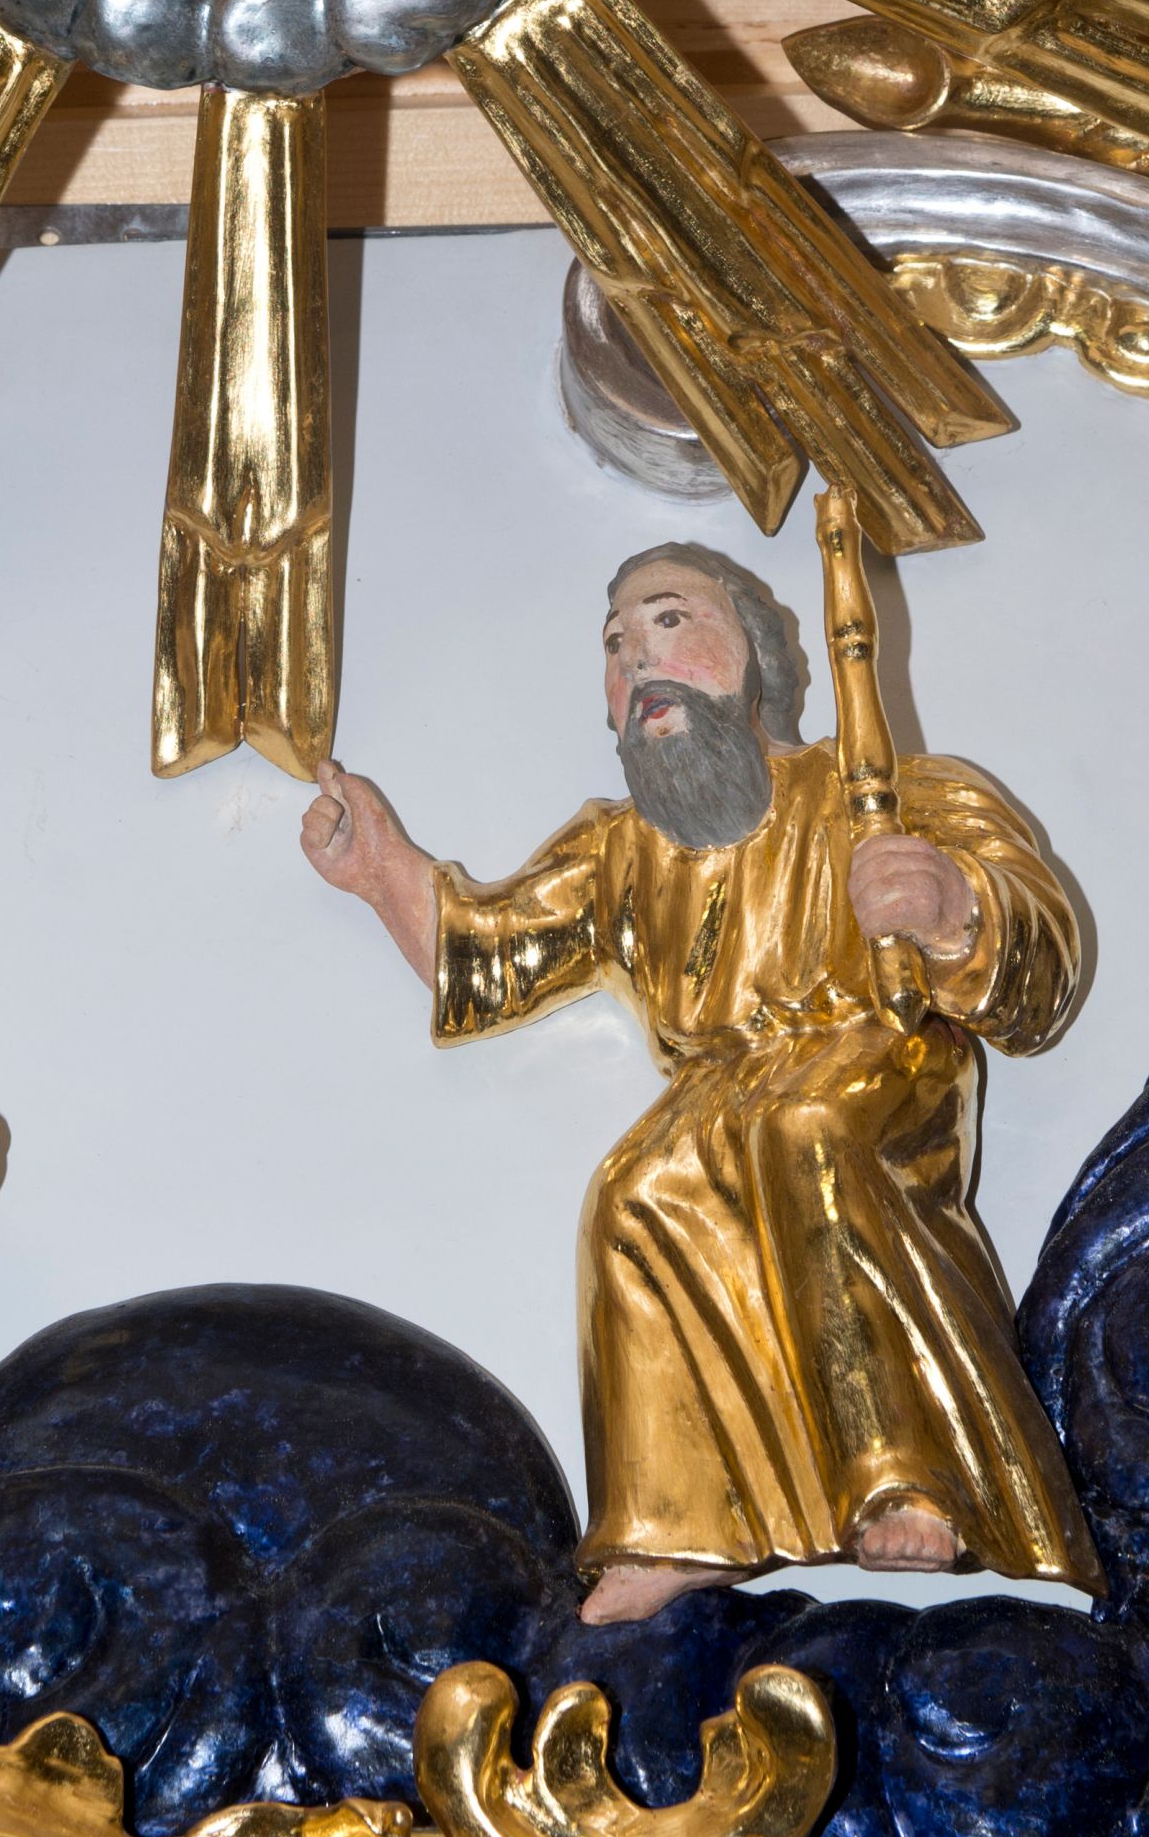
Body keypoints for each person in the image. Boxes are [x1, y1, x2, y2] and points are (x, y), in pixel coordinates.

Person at [300, 538, 1092, 1622]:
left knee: (807, 1130)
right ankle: (679, 1521)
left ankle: (908, 1470)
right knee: (637, 1191)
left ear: (756, 654)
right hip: (719, 1090)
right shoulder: (621, 848)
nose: (638, 660)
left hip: (876, 1052)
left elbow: (1040, 970)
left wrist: (950, 906)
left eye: (670, 621)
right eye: (616, 644)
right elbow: (491, 955)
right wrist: (381, 869)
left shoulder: (892, 793)